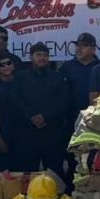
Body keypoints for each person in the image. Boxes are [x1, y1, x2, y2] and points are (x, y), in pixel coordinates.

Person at [15, 42, 69, 178]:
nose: (42, 58)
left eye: (45, 55)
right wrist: (31, 117)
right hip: (27, 132)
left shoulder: (57, 77)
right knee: (27, 172)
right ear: (31, 57)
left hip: (52, 132)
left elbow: (63, 102)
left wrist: (45, 117)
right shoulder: (20, 77)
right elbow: (16, 101)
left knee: (55, 172)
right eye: (38, 55)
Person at [0, 53, 23, 171]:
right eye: (1, 65)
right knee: (4, 171)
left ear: (13, 65)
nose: (6, 66)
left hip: (23, 131)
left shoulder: (21, 81)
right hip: (3, 131)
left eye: (8, 63)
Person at [61, 32, 100, 121]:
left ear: (93, 49)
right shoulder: (66, 67)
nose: (79, 48)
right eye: (78, 45)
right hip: (71, 118)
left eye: (84, 46)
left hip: (96, 117)